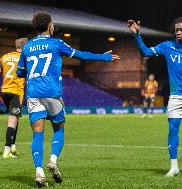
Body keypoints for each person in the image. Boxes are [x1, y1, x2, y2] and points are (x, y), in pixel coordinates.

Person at [16, 13, 120, 187]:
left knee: (37, 134)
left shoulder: (27, 47)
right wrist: (104, 57)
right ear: (49, 25)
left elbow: (20, 72)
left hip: (33, 94)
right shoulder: (57, 43)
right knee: (59, 129)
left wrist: (35, 73)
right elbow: (81, 55)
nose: (54, 26)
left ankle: (39, 172)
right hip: (52, 93)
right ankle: (53, 161)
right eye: (53, 24)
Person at [128, 17, 182, 177]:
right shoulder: (167, 46)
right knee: (173, 130)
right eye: (176, 30)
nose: (178, 32)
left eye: (181, 29)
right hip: (176, 96)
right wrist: (137, 35)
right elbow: (145, 52)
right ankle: (174, 167)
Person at [0, 38, 28, 158]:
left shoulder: (5, 56)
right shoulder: (25, 58)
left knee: (16, 118)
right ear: (25, 46)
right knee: (13, 120)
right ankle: (7, 150)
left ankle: (13, 146)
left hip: (4, 92)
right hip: (16, 92)